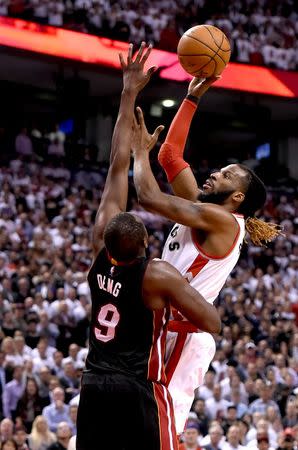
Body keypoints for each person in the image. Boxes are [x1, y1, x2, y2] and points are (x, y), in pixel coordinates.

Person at [76, 43, 220, 450]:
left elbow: (114, 164)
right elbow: (212, 322)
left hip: (93, 383)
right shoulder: (156, 274)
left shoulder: (99, 252)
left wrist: (128, 93)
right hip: (134, 385)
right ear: (144, 243)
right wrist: (175, 313)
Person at [132, 76, 282, 431]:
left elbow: (148, 197)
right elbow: (170, 156)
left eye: (227, 175)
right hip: (164, 326)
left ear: (238, 198)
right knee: (137, 421)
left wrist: (139, 153)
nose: (215, 173)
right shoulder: (203, 208)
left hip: (184, 333)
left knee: (159, 424)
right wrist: (192, 97)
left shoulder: (224, 221)